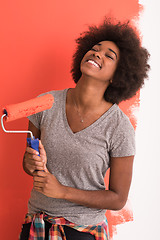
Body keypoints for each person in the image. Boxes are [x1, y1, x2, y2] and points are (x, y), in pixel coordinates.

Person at [20, 18, 150, 240]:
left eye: (109, 56)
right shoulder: (45, 103)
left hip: (82, 231)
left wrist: (63, 192)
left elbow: (118, 198)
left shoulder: (119, 127)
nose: (97, 53)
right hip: (37, 224)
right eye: (94, 48)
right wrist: (30, 163)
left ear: (118, 76)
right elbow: (28, 164)